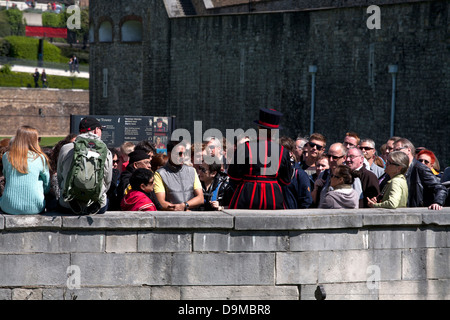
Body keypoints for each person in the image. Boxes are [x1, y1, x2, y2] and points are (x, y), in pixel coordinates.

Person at [227, 108, 293, 210]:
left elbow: (233, 175)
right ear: (275, 132)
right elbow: (286, 180)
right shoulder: (283, 151)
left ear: (258, 127)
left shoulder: (245, 147)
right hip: (273, 195)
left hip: (247, 193)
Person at [57, 117, 113, 214]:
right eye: (101, 130)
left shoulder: (65, 149)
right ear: (96, 130)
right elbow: (108, 182)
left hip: (67, 204)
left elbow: (60, 177)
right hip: (96, 205)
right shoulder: (105, 151)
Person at [0, 126, 50, 215]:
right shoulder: (40, 157)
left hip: (9, 206)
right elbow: (46, 184)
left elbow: (7, 177)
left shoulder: (7, 156)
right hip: (36, 207)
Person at [393, 138, 447, 210]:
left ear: (408, 150)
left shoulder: (420, 168)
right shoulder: (398, 168)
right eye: (393, 151)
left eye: (397, 150)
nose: (394, 153)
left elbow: (440, 188)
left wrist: (437, 203)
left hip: (418, 213)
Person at [154, 140, 204, 211]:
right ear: (169, 154)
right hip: (171, 218)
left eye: (184, 153)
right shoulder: (160, 173)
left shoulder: (192, 171)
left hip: (192, 216)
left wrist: (185, 205)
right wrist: (179, 208)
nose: (182, 156)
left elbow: (200, 198)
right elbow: (161, 203)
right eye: (179, 154)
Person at [279, 136, 312, 209]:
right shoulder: (274, 173)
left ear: (290, 153)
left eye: (281, 151)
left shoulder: (299, 174)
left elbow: (306, 201)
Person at [312, 142, 347, 207]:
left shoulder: (349, 176)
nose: (331, 160)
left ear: (344, 158)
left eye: (335, 157)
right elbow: (313, 201)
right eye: (329, 156)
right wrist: (315, 189)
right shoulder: (323, 174)